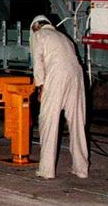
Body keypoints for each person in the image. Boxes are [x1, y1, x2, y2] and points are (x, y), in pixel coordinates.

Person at [29, 14, 89, 180]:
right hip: (76, 75)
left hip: (56, 76)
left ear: (35, 26)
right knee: (77, 122)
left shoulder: (39, 35)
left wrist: (40, 86)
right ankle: (81, 169)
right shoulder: (64, 37)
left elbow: (38, 64)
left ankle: (46, 170)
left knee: (49, 121)